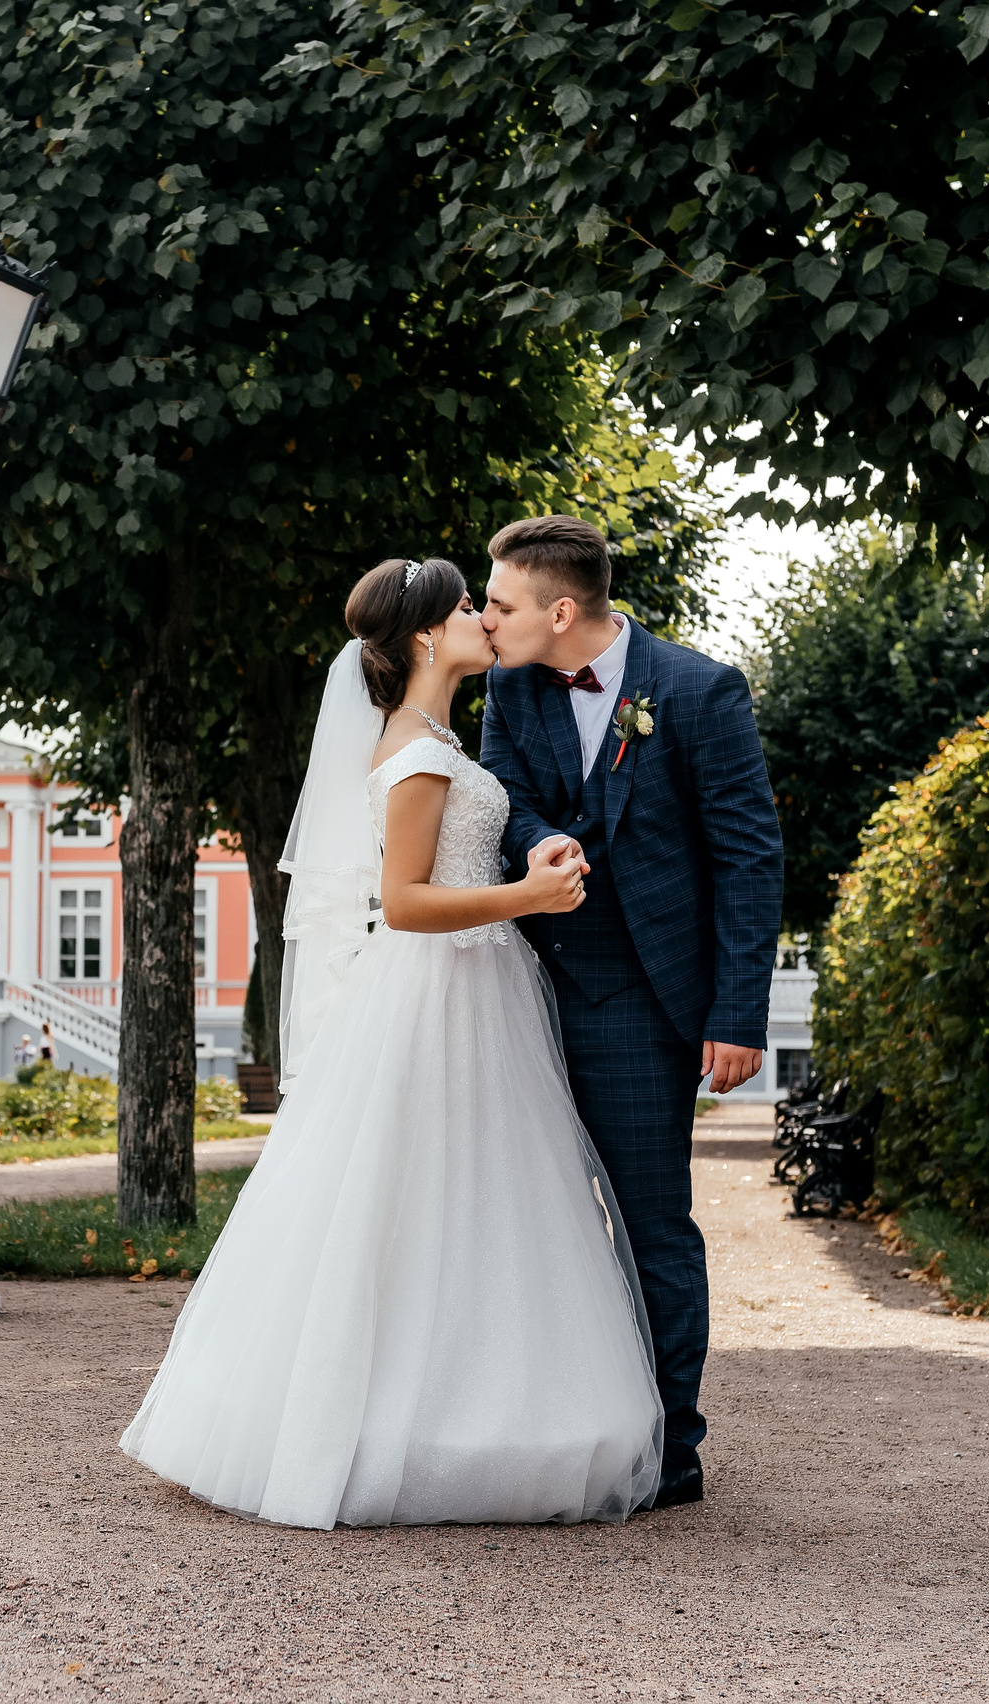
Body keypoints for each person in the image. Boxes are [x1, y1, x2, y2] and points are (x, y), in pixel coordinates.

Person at [122, 556, 663, 1529]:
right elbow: (407, 905)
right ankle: (392, 1425)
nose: (484, 621)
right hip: (437, 991)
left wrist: (529, 854)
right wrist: (528, 896)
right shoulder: (414, 752)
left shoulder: (438, 739)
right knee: (414, 1200)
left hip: (480, 988)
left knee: (476, 1205)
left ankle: (482, 1405)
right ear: (423, 636)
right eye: (468, 608)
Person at [478, 515, 783, 1509]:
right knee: (526, 1224)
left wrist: (738, 1015)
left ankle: (669, 1447)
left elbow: (748, 857)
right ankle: (553, 1426)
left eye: (502, 602)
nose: (485, 619)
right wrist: (535, 842)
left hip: (644, 1004)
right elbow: (505, 799)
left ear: (561, 610)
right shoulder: (509, 688)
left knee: (650, 1226)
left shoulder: (700, 691)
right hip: (515, 992)